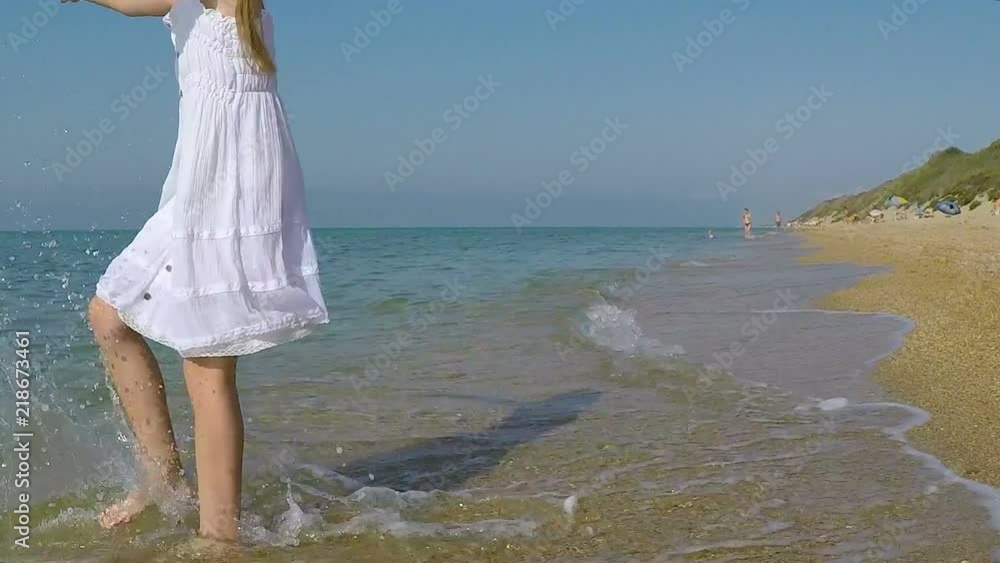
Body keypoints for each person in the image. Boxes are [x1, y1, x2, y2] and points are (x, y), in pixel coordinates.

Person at [67, 0, 329, 542]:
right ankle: (163, 480)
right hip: (206, 189)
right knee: (109, 315)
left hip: (224, 195)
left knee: (207, 364)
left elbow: (131, 4)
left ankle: (220, 537)